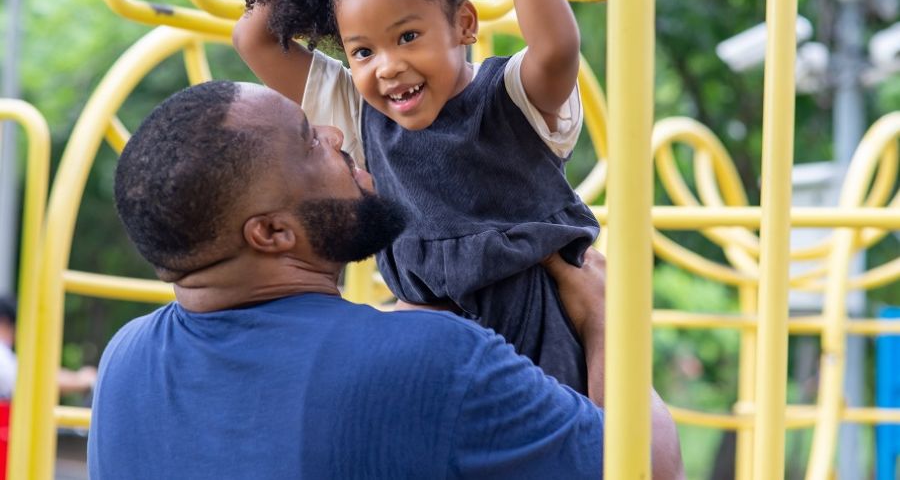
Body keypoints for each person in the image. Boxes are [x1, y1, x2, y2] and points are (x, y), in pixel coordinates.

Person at [88, 81, 684, 479]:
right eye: (309, 140)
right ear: (270, 233)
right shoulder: (436, 360)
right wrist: (606, 321)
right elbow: (647, 466)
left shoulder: (125, 364)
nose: (336, 135)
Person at [234, 0, 599, 394]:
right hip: (431, 348)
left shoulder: (512, 100)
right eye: (363, 52)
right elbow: (255, 38)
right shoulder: (359, 115)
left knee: (593, 436)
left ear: (465, 25)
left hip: (539, 341)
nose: (388, 66)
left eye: (408, 36)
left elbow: (555, 49)